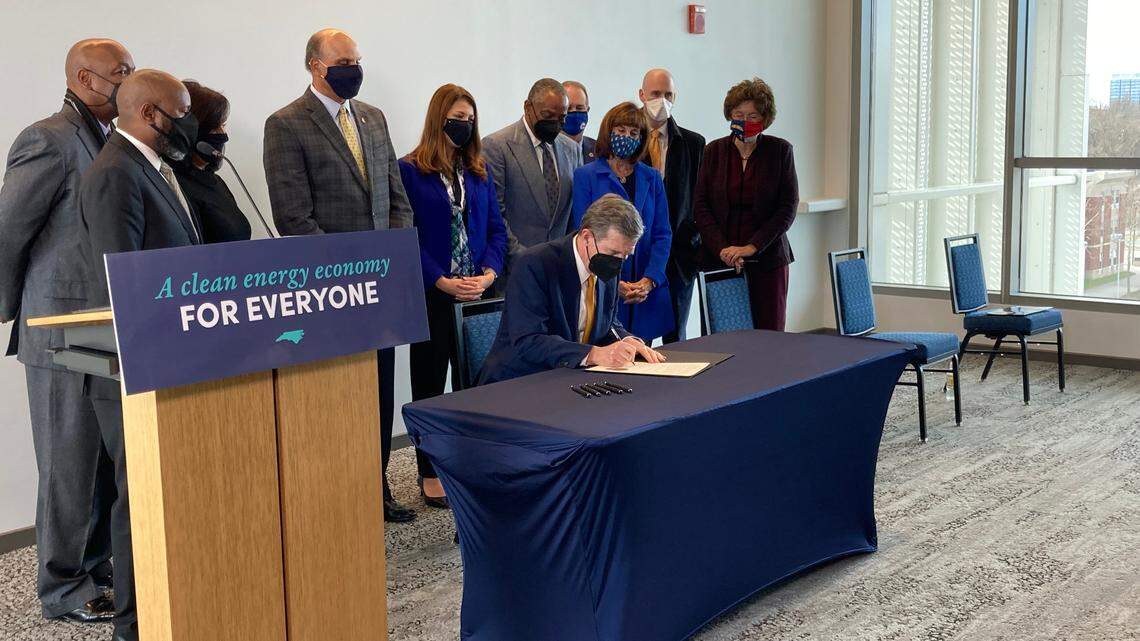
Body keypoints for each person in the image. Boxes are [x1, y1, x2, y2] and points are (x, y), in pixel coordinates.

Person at [0, 37, 133, 627]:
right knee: (67, 464)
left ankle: (97, 564)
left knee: (101, 464)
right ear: (83, 77)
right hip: (56, 334)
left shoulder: (109, 139)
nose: (128, 82)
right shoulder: (46, 139)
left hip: (102, 332)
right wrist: (16, 312)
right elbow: (7, 233)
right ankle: (61, 588)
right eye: (119, 73)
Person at [263, 28, 416, 523]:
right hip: (330, 292)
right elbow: (293, 217)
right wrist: (345, 272)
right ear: (315, 66)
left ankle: (378, 490)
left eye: (357, 60)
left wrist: (388, 258)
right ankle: (340, 497)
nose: (354, 68)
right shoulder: (286, 124)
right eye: (343, 61)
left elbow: (396, 198)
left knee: (379, 391)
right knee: (337, 397)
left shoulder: (372, 118)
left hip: (379, 285)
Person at [79, 68, 202, 641]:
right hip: (135, 367)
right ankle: (133, 625)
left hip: (174, 359)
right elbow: (119, 281)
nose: (190, 123)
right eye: (182, 112)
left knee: (169, 495)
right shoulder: (114, 173)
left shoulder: (155, 167)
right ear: (152, 115)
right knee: (140, 501)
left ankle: (173, 603)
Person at [398, 84, 507, 507]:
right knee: (429, 386)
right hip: (434, 295)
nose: (464, 126)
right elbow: (407, 237)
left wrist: (489, 272)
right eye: (457, 118)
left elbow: (497, 229)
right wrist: (440, 279)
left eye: (470, 119)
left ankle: (472, 465)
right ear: (438, 118)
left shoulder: (479, 170)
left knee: (476, 386)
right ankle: (429, 472)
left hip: (478, 296)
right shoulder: (410, 170)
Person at [478, 194, 665, 385]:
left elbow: (608, 323)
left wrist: (628, 340)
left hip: (571, 378)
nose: (619, 263)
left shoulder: (606, 264)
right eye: (614, 253)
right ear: (586, 237)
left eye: (626, 255)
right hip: (519, 382)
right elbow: (529, 341)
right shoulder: (535, 264)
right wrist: (593, 354)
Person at [694, 77, 799, 331]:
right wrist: (724, 249)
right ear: (729, 115)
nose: (745, 121)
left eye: (753, 116)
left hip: (768, 260)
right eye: (738, 114)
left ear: (765, 118)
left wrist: (752, 247)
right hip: (720, 260)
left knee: (768, 338)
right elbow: (701, 205)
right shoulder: (713, 151)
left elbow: (787, 207)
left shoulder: (780, 151)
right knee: (723, 341)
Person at [571, 102, 673, 343]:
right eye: (621, 130)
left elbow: (662, 233)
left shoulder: (652, 177)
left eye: (634, 133)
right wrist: (612, 282)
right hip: (603, 286)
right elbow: (583, 234)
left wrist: (649, 280)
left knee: (642, 357)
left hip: (643, 290)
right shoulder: (585, 176)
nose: (626, 137)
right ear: (609, 132)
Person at [482, 78, 582, 271]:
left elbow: (573, 211)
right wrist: (524, 256)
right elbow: (495, 213)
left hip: (559, 267)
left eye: (561, 118)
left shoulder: (571, 149)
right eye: (547, 115)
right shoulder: (497, 146)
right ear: (528, 107)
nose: (555, 123)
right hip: (515, 268)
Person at [638, 69, 706, 343]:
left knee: (676, 338)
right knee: (636, 338)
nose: (661, 100)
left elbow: (700, 200)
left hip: (679, 256)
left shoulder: (694, 143)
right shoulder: (628, 138)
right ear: (642, 95)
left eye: (668, 94)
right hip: (639, 254)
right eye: (655, 94)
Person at [172, 80, 252, 243]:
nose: (223, 135)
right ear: (192, 130)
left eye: (223, 125)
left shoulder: (216, 182)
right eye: (215, 127)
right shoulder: (175, 184)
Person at [561, 80, 595, 162]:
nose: (574, 112)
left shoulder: (599, 150)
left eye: (579, 108)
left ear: (588, 110)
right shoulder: (547, 150)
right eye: (568, 108)